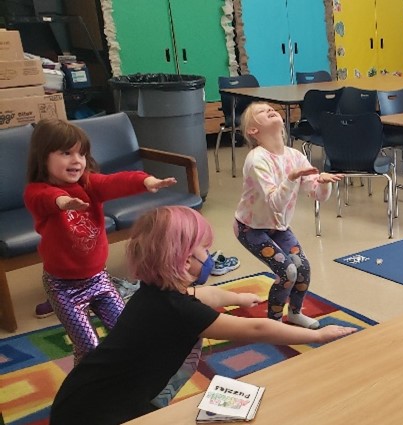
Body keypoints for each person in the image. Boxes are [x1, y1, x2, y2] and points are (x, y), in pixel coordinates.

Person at [49, 206, 357, 425]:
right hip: (97, 415)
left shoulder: (154, 293)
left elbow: (203, 295)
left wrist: (236, 297)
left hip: (82, 397)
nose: (209, 257)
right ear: (184, 263)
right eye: (204, 251)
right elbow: (258, 330)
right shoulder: (180, 311)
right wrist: (318, 335)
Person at [24, 118, 177, 364]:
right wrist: (63, 202)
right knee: (89, 349)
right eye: (66, 153)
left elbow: (114, 182)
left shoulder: (88, 183)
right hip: (63, 288)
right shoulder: (36, 191)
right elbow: (46, 198)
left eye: (82, 154)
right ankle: (85, 391)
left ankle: (125, 380)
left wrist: (145, 181)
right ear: (43, 157)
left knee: (127, 332)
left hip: (99, 279)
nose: (77, 160)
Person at [234, 102, 343, 329]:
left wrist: (323, 183)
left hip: (278, 226)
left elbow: (317, 195)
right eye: (261, 112)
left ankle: (294, 313)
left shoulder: (294, 156)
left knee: (303, 269)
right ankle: (274, 323)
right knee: (288, 272)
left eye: (270, 108)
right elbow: (275, 202)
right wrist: (291, 178)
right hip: (250, 228)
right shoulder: (257, 159)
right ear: (253, 131)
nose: (269, 110)